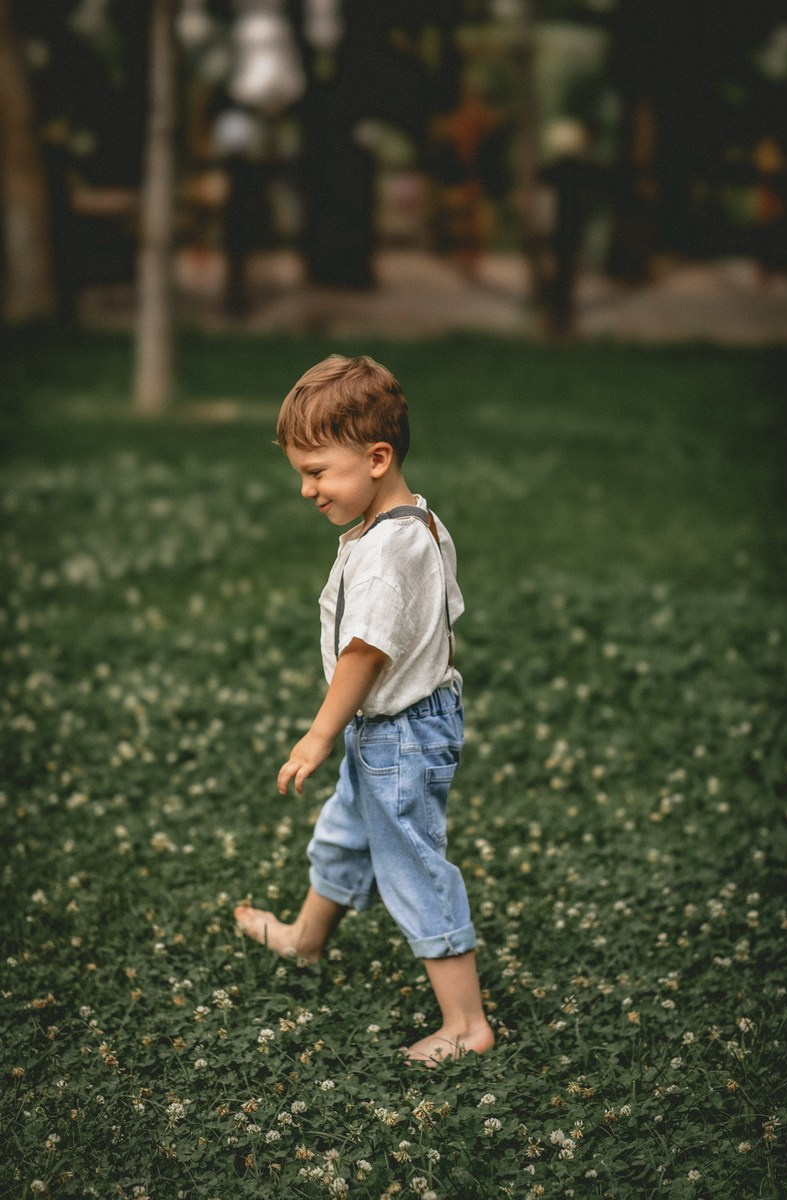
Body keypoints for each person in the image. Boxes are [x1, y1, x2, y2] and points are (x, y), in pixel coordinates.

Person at [235, 355, 494, 1066]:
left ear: (377, 458)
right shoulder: (415, 522)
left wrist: (320, 734)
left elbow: (365, 653)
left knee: (412, 865)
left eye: (317, 471)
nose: (305, 489)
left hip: (399, 734)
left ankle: (466, 1026)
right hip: (396, 728)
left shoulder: (386, 553)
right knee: (347, 833)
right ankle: (305, 939)